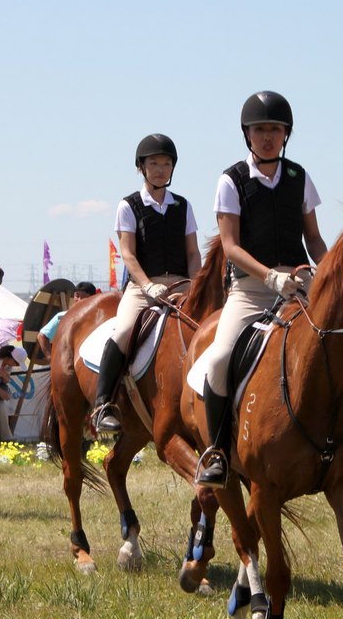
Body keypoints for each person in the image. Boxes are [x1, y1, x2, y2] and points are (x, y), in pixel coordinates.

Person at [194, 91, 329, 487]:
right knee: (218, 360)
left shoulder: (298, 176)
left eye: (275, 129)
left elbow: (314, 239)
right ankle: (218, 451)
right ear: (247, 135)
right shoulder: (231, 180)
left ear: (286, 134)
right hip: (252, 289)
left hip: (300, 283)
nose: (267, 137)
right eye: (260, 130)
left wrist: (326, 272)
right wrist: (270, 277)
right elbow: (231, 246)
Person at [91, 134, 202, 433]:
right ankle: (103, 404)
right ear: (141, 167)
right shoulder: (129, 206)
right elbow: (127, 253)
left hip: (181, 285)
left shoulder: (183, 206)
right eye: (154, 163)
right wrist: (147, 285)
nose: (160, 169)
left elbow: (193, 253)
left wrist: (194, 283)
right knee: (124, 331)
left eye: (166, 164)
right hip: (143, 288)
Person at [36, 281, 97, 358]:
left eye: (83, 298)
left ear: (93, 298)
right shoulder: (62, 317)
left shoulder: (98, 318)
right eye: (77, 296)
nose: (79, 300)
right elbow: (42, 336)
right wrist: (50, 358)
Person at [0, 344, 28, 443]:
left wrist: (3, 375)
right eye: (16, 363)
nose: (16, 366)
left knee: (3, 406)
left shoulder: (7, 366)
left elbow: (7, 381)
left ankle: (5, 437)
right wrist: (1, 391)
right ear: (11, 358)